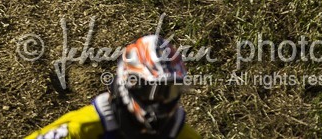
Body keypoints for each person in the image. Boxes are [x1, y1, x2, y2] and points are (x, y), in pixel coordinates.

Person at [23, 34, 199, 138]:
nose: (161, 101)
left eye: (171, 90)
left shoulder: (179, 132)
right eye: (153, 91)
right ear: (130, 83)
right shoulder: (83, 129)